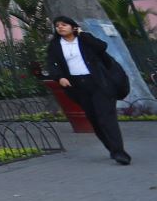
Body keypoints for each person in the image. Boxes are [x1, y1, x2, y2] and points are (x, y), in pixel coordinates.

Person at [45, 16, 132, 165]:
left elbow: (102, 47)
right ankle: (112, 148)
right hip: (77, 86)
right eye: (57, 25)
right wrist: (59, 78)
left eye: (64, 24)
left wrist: (82, 34)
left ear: (72, 27)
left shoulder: (85, 39)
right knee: (95, 119)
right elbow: (52, 64)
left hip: (98, 83)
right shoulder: (55, 45)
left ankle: (119, 152)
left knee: (106, 118)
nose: (60, 27)